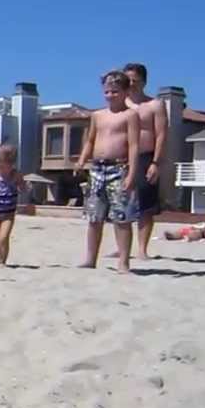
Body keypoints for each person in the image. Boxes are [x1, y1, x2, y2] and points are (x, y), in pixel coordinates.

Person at [75, 70, 140, 272]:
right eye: (107, 92)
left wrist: (131, 174)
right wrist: (81, 160)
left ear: (125, 91)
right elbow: (91, 140)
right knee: (94, 217)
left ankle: (123, 261)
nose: (110, 95)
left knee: (121, 218)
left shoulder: (130, 115)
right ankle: (90, 258)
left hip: (118, 168)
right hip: (97, 168)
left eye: (115, 91)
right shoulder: (97, 115)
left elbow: (133, 146)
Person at [119, 62, 168, 259]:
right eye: (128, 80)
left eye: (135, 80)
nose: (131, 84)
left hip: (145, 157)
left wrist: (156, 162)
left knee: (145, 206)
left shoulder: (154, 105)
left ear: (144, 81)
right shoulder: (119, 103)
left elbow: (162, 134)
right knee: (121, 204)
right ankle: (122, 248)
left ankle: (142, 249)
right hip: (122, 158)